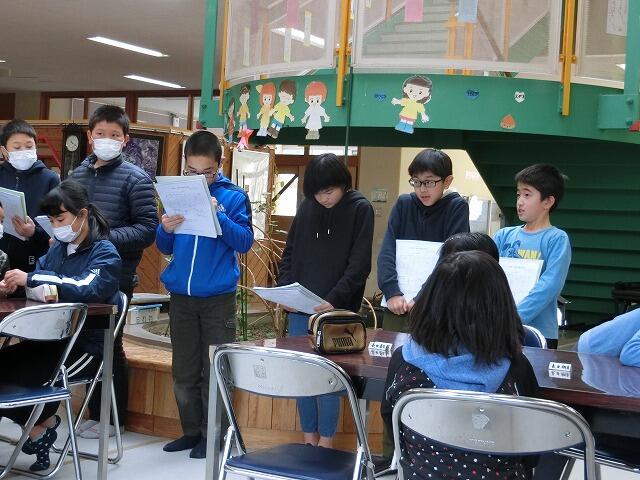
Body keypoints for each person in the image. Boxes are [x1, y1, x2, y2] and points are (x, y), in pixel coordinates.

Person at [381, 251, 538, 479]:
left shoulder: (403, 362)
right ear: (500, 308)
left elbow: (394, 426)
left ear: (430, 301)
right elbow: (532, 452)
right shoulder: (516, 370)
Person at [0, 179, 121, 472]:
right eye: (52, 221)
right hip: (47, 340)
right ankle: (39, 427)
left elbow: (87, 287)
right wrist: (14, 286)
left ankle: (39, 425)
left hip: (84, 347)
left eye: (60, 219)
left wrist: (31, 279)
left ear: (83, 214)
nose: (56, 227)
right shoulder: (59, 249)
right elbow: (40, 280)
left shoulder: (105, 252)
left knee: (16, 375)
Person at [157, 130, 253, 458]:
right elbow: (165, 246)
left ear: (220, 165)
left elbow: (245, 242)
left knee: (215, 370)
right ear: (184, 164)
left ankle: (213, 437)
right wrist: (164, 228)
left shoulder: (234, 196)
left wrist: (220, 215)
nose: (199, 179)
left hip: (217, 299)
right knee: (183, 371)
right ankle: (190, 432)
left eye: (207, 172)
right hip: (181, 297)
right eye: (192, 172)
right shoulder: (176, 191)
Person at [69, 104, 158, 438]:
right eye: (100, 134)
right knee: (86, 343)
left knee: (110, 344)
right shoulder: (77, 175)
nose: (107, 139)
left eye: (115, 135)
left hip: (116, 277)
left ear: (125, 139)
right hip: (78, 275)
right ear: (90, 136)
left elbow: (147, 230)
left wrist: (102, 237)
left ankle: (111, 419)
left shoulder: (136, 178)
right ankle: (94, 412)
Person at [277, 153, 374, 448]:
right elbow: (289, 252)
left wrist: (333, 301)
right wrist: (285, 291)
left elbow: (359, 266)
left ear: (343, 183)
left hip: (337, 312)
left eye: (328, 191)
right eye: (317, 193)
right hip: (300, 309)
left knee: (330, 378)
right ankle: (309, 440)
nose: (323, 198)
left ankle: (327, 444)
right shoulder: (308, 206)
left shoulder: (360, 209)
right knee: (303, 377)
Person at [377, 148, 469, 330]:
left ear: (447, 181)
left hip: (437, 306)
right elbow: (387, 251)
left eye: (429, 182)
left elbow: (452, 259)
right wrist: (391, 291)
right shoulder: (404, 204)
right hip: (397, 304)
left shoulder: (457, 207)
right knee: (393, 346)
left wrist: (423, 297)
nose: (422, 189)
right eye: (416, 182)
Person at [494, 164, 571, 349]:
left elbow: (549, 285)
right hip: (498, 327)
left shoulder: (556, 239)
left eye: (527, 195)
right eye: (518, 194)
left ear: (548, 202)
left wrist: (513, 318)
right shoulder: (503, 235)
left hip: (539, 332)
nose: (520, 201)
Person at [0, 119, 60, 288]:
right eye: (17, 147)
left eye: (29, 146)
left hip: (36, 258)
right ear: (4, 150)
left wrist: (34, 232)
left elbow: (58, 223)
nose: (24, 151)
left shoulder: (50, 179)